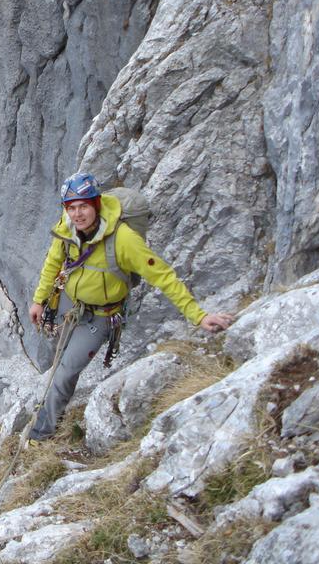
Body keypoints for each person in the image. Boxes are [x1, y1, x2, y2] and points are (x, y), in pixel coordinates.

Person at [27, 172, 233, 443]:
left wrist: (198, 315)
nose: (78, 214)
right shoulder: (66, 230)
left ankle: (41, 434)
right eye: (72, 207)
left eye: (83, 206)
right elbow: (53, 263)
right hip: (73, 305)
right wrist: (39, 300)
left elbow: (162, 275)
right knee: (61, 364)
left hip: (101, 317)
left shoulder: (123, 240)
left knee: (66, 370)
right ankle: (54, 411)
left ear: (96, 203)